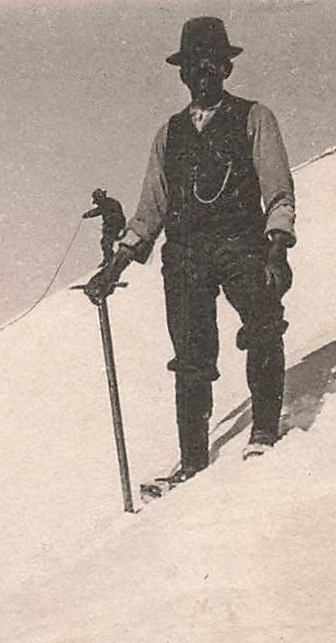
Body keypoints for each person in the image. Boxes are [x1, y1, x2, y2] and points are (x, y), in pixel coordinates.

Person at [85, 16, 296, 484]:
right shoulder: (169, 134)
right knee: (191, 356)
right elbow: (149, 212)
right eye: (195, 67)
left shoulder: (254, 118)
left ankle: (263, 431)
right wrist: (113, 265)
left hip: (242, 244)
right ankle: (193, 461)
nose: (204, 75)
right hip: (184, 256)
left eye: (213, 65)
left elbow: (278, 193)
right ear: (182, 74)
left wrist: (277, 250)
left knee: (263, 326)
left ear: (226, 69)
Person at [82, 188, 126, 266]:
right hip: (116, 225)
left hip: (113, 225)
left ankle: (109, 260)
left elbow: (98, 211)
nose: (97, 204)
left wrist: (88, 214)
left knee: (106, 242)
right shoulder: (111, 202)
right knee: (106, 242)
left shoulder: (107, 203)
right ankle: (109, 258)